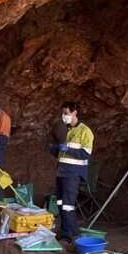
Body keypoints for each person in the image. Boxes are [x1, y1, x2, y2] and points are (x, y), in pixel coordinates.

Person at [52, 101, 93, 240]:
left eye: (66, 113)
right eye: (63, 113)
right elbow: (60, 153)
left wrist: (67, 149)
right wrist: (54, 148)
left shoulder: (85, 131)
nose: (64, 116)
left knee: (68, 205)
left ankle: (68, 235)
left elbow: (85, 153)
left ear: (75, 112)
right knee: (60, 203)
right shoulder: (66, 130)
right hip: (61, 172)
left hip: (73, 173)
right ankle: (70, 231)